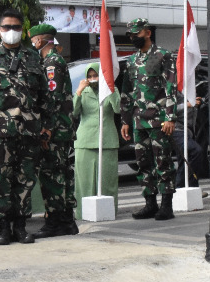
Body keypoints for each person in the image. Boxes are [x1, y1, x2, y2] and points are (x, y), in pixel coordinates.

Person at [0, 9, 47, 245]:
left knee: (25, 180)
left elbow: (45, 96)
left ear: (22, 30)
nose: (11, 31)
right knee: (1, 180)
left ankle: (21, 227)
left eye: (16, 27)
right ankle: (4, 227)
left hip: (29, 132)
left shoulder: (33, 58)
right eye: (7, 27)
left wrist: (46, 125)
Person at [119, 18, 178, 220]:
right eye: (131, 35)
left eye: (136, 33)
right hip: (138, 120)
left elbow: (171, 87)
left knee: (162, 161)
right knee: (143, 162)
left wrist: (170, 117)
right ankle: (150, 203)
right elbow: (126, 92)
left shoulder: (163, 55)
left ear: (147, 32)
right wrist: (125, 120)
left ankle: (167, 206)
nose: (133, 37)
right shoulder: (131, 61)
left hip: (159, 119)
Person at [30, 23, 79, 238]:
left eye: (33, 40)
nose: (32, 44)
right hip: (62, 129)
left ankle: (55, 221)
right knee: (62, 174)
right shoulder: (55, 61)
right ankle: (67, 221)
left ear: (39, 41)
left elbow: (52, 98)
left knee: (52, 175)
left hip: (55, 130)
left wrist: (47, 128)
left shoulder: (51, 63)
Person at [72, 64, 121, 212]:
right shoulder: (83, 91)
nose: (93, 79)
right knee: (84, 181)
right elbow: (73, 112)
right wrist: (79, 92)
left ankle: (109, 210)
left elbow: (117, 108)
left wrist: (109, 87)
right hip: (85, 140)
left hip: (107, 139)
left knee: (107, 180)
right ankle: (83, 211)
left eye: (96, 75)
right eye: (90, 76)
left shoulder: (111, 89)